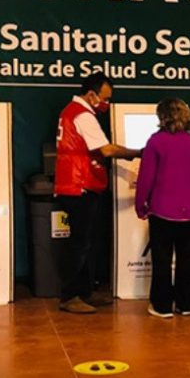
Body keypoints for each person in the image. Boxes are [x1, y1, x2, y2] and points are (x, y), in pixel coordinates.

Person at [54, 72, 141, 314]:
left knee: (83, 242)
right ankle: (71, 295)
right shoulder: (83, 115)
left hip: (73, 184)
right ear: (91, 94)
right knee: (79, 243)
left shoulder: (70, 111)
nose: (106, 104)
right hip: (79, 185)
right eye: (105, 98)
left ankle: (82, 293)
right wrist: (140, 152)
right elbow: (106, 149)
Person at [135, 98, 190, 319]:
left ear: (161, 117)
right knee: (188, 258)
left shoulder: (155, 142)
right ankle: (187, 304)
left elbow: (146, 178)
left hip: (163, 210)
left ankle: (162, 306)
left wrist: (141, 205)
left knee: (162, 259)